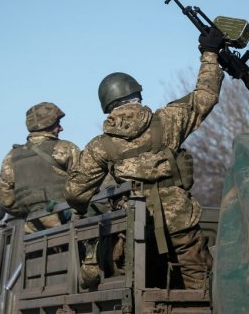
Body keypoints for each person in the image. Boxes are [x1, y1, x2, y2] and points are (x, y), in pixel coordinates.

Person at [65, 29, 225, 289]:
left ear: (107, 105)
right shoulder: (169, 120)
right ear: (138, 95)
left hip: (133, 234)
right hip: (181, 227)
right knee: (203, 291)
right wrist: (210, 54)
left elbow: (75, 193)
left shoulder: (101, 146)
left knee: (139, 292)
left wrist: (82, 209)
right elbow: (205, 96)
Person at [0, 102, 80, 233]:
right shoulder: (65, 148)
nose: (61, 128)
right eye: (57, 123)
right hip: (70, 228)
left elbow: (5, 200)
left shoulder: (10, 157)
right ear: (48, 124)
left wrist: (32, 212)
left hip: (33, 234)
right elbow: (85, 184)